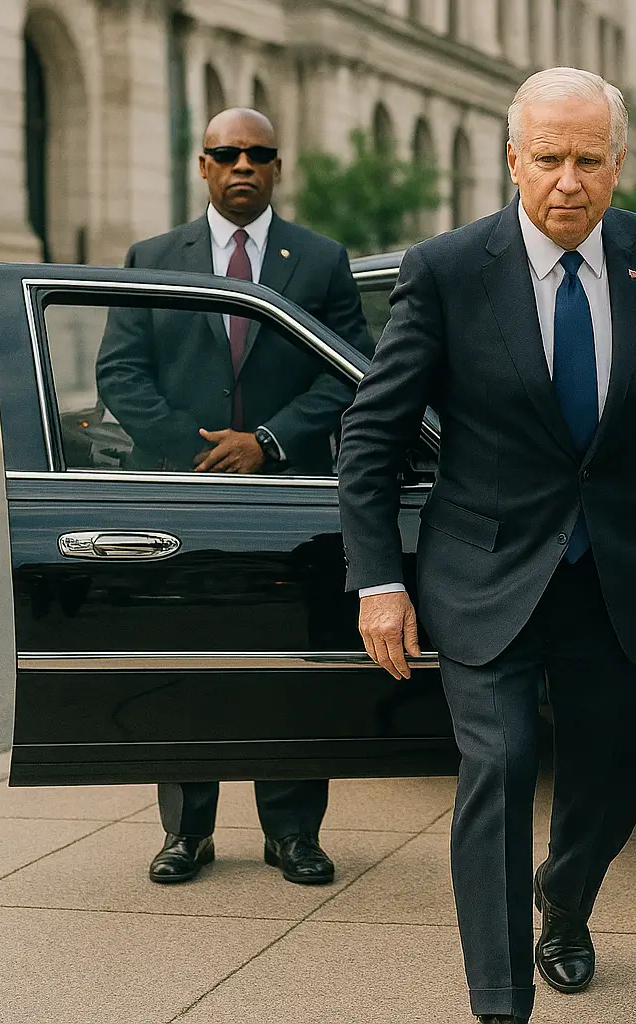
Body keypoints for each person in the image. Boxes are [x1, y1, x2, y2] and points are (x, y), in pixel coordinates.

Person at [336, 68, 636, 1023]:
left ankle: (565, 902)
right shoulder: (448, 271)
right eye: (548, 159)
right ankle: (500, 1002)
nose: (567, 181)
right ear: (512, 161)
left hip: (618, 571)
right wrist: (378, 581)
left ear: (619, 165)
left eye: (588, 159)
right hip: (484, 570)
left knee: (612, 782)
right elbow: (370, 438)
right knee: (497, 767)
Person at [96, 107, 372, 886]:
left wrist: (270, 442)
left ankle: (291, 834)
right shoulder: (153, 257)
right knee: (189, 659)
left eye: (258, 154)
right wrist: (198, 451)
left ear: (278, 166)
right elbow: (119, 373)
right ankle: (188, 833)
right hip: (184, 498)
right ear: (204, 166)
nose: (242, 165)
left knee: (293, 662)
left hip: (293, 497)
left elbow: (351, 366)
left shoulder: (319, 261)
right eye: (227, 154)